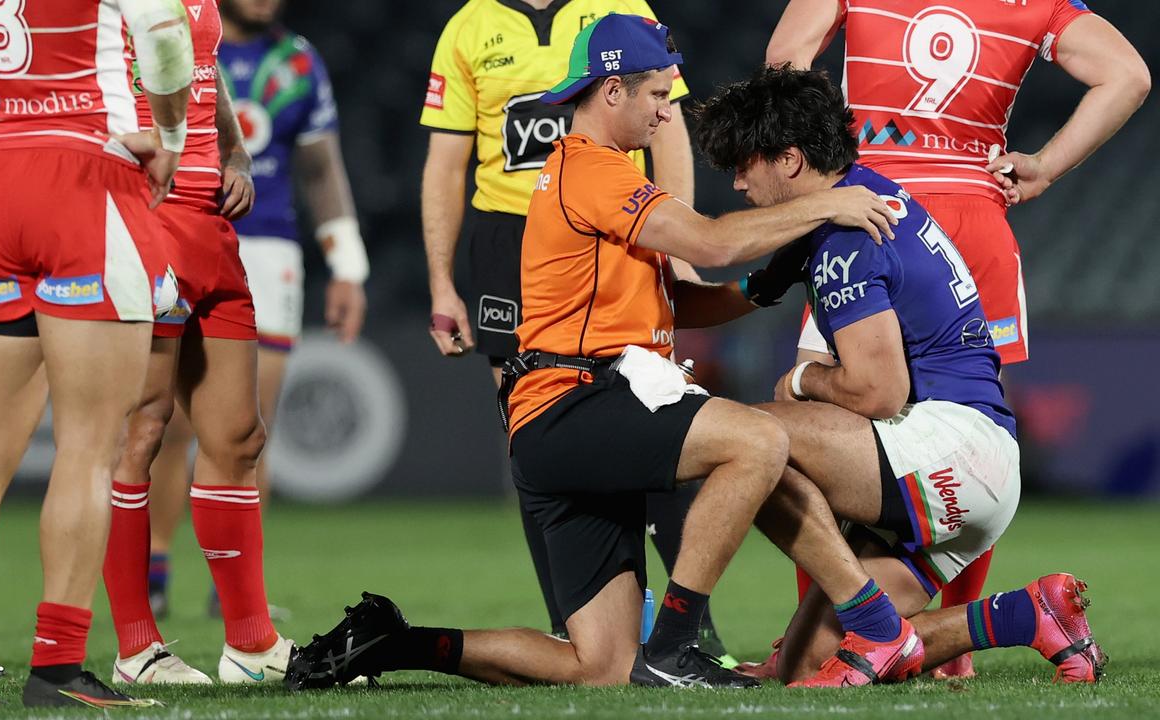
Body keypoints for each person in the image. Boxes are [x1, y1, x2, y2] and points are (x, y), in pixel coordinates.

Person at [285, 15, 901, 690]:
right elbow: (711, 243)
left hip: (563, 417)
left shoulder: (589, 175)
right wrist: (826, 206)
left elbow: (679, 302)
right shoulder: (594, 171)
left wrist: (762, 287)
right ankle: (675, 645)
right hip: (577, 403)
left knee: (599, 666)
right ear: (613, 91)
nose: (668, 115)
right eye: (659, 98)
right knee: (756, 442)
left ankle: (392, 642)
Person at [761, 0, 1149, 677]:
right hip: (974, 217)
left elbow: (783, 64)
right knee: (971, 417)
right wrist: (1048, 165)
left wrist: (831, 147)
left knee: (820, 420)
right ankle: (953, 655)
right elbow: (1128, 75)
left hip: (869, 208)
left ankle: (821, 641)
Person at [689, 64, 1105, 686]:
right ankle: (1030, 614)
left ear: (791, 159)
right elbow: (734, 296)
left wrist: (801, 384)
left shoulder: (845, 240)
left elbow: (879, 393)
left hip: (949, 450)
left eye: (745, 165)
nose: (739, 183)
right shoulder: (854, 201)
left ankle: (706, 625)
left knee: (749, 437)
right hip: (974, 461)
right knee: (806, 668)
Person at [0, 0, 194, 707]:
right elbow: (167, 38)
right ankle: (56, 671)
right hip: (90, 178)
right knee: (90, 446)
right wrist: (170, 135)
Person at [420, 0, 727, 658]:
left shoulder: (623, 11)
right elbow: (446, 163)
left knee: (657, 411)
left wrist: (679, 245)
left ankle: (689, 630)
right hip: (509, 237)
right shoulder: (470, 26)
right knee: (535, 430)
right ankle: (576, 619)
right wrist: (442, 282)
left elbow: (668, 129)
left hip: (615, 225)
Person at [142, 0, 369, 619]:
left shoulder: (297, 61)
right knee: (167, 421)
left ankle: (232, 589)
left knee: (248, 425)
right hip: (176, 224)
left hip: (267, 245)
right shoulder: (171, 32)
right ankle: (154, 567)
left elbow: (321, 168)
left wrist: (347, 265)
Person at [101, 0, 299, 687]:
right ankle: (136, 650)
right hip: (141, 217)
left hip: (209, 224)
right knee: (143, 429)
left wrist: (237, 154)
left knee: (239, 436)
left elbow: (200, 71)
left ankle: (251, 644)